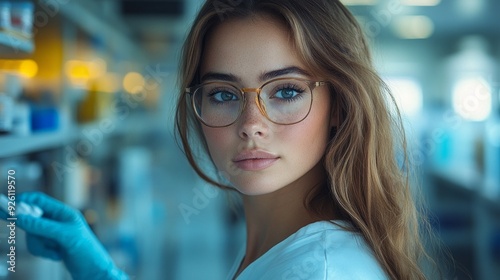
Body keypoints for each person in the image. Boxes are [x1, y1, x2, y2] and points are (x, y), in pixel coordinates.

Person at [1, 0, 434, 279]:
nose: (250, 123)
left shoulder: (321, 272)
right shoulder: (277, 246)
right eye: (224, 94)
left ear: (339, 105)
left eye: (285, 91)